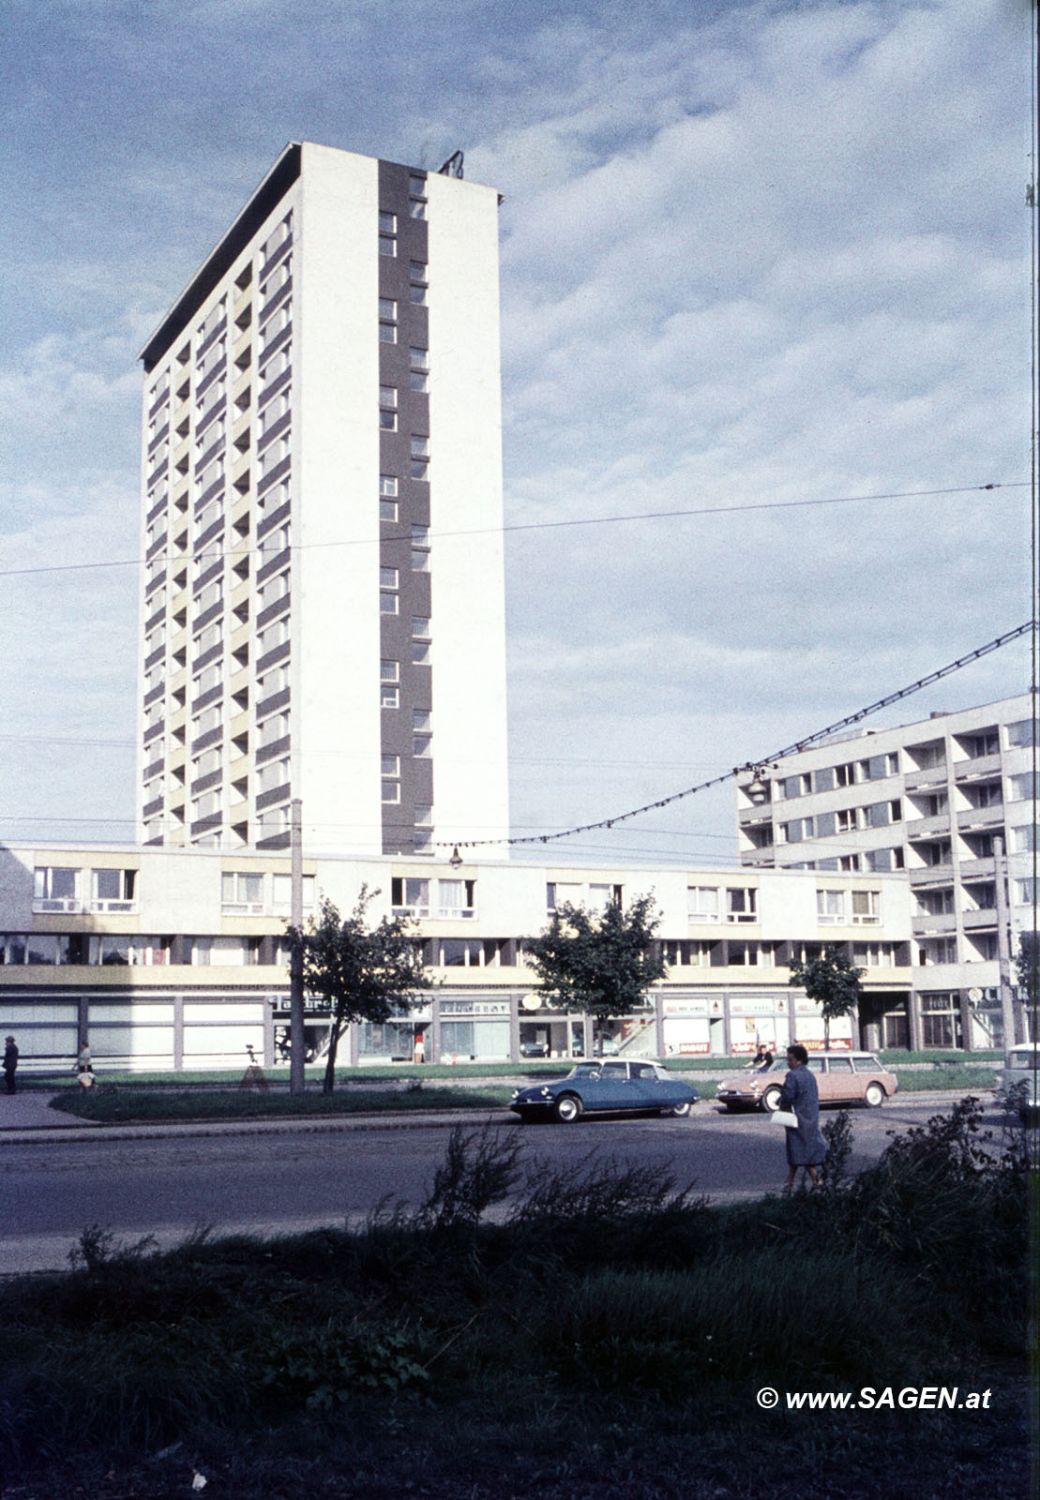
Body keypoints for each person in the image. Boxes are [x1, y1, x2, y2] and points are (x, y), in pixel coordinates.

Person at [779, 1044, 826, 1190]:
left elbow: (788, 1096)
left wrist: (781, 1101)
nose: (788, 1062)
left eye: (790, 1059)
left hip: (795, 1117)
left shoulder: (792, 1075)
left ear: (798, 1060)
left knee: (798, 1149)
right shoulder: (809, 1075)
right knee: (801, 1148)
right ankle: (790, 1180)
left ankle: (813, 1180)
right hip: (810, 1116)